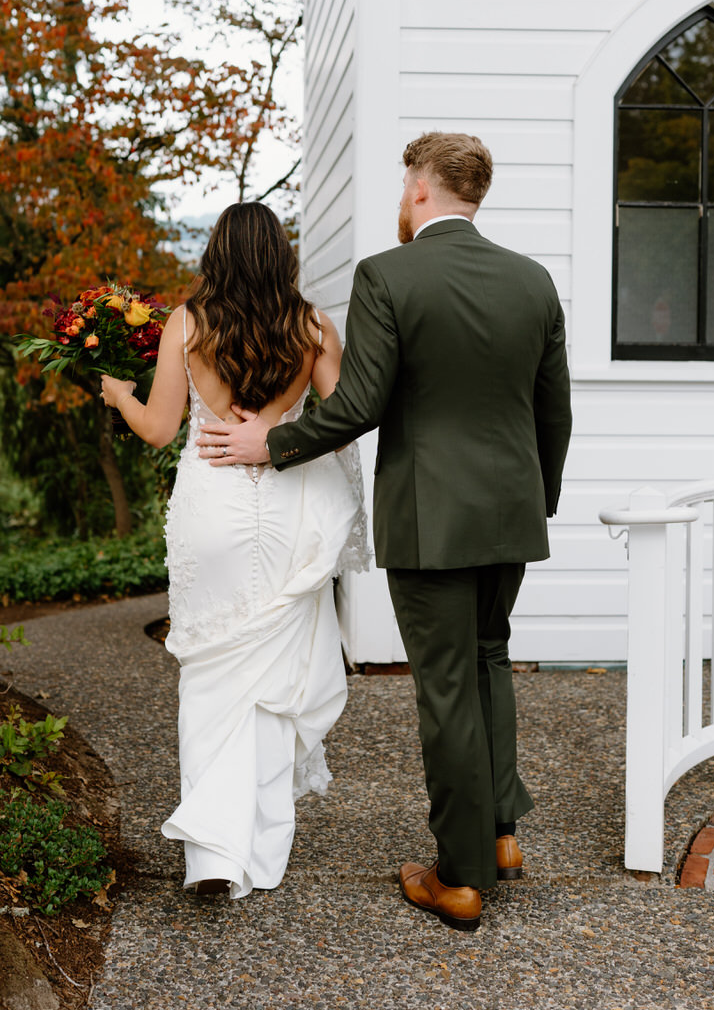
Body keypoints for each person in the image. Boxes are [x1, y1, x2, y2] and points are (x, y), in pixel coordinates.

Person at [198, 132, 572, 933]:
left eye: (405, 186)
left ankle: (462, 877)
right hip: (511, 512)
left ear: (421, 189)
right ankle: (501, 834)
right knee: (488, 659)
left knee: (444, 689)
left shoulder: (388, 275)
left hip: (432, 518)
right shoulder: (533, 282)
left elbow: (359, 404)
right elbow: (554, 412)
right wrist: (538, 498)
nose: (401, 198)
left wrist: (275, 442)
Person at [99, 202, 368, 900]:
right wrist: (281, 431)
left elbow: (160, 430)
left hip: (211, 510)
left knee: (210, 675)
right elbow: (341, 425)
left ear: (215, 254)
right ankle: (257, 840)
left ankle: (212, 858)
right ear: (282, 255)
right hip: (289, 513)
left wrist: (120, 396)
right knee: (276, 685)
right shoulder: (312, 328)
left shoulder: (187, 324)